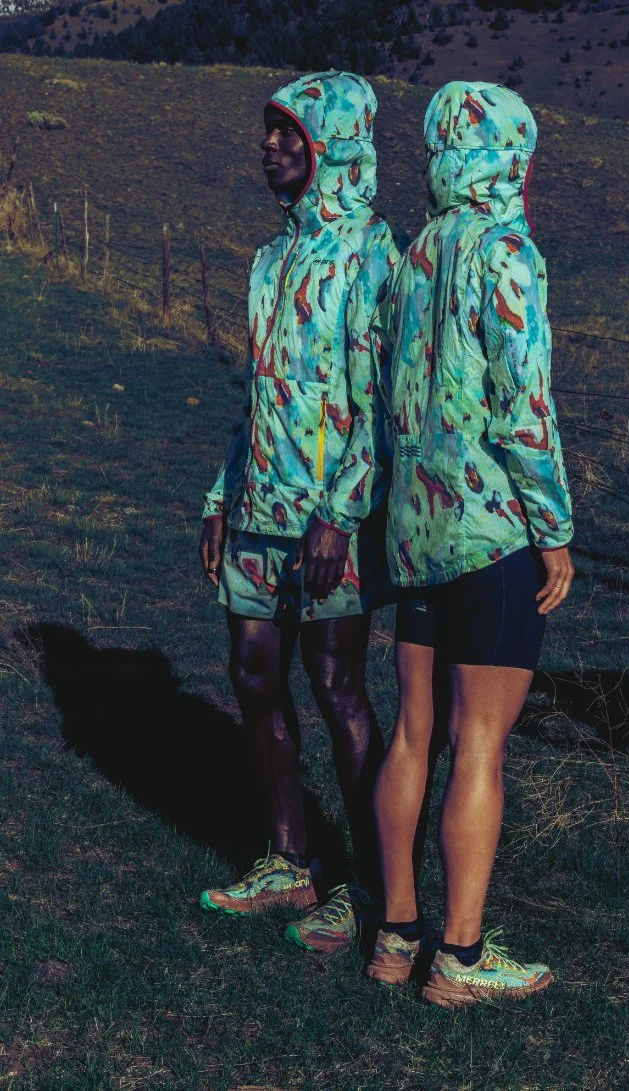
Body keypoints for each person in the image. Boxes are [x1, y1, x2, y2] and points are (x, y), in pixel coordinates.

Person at [365, 81, 575, 1008]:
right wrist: (555, 530)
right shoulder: (507, 253)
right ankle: (460, 955)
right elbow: (525, 414)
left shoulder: (412, 254)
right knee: (478, 743)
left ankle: (393, 935)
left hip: (412, 533)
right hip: (489, 532)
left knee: (414, 730)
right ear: (511, 153)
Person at [198, 70, 398, 953]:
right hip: (258, 509)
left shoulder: (371, 254)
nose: (270, 147)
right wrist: (220, 493)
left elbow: (381, 402)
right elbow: (261, 396)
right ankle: (289, 859)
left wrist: (341, 512)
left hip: (330, 521)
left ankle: (368, 882)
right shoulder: (269, 260)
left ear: (333, 145)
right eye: (268, 132)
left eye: (289, 133)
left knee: (336, 683)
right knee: (251, 670)